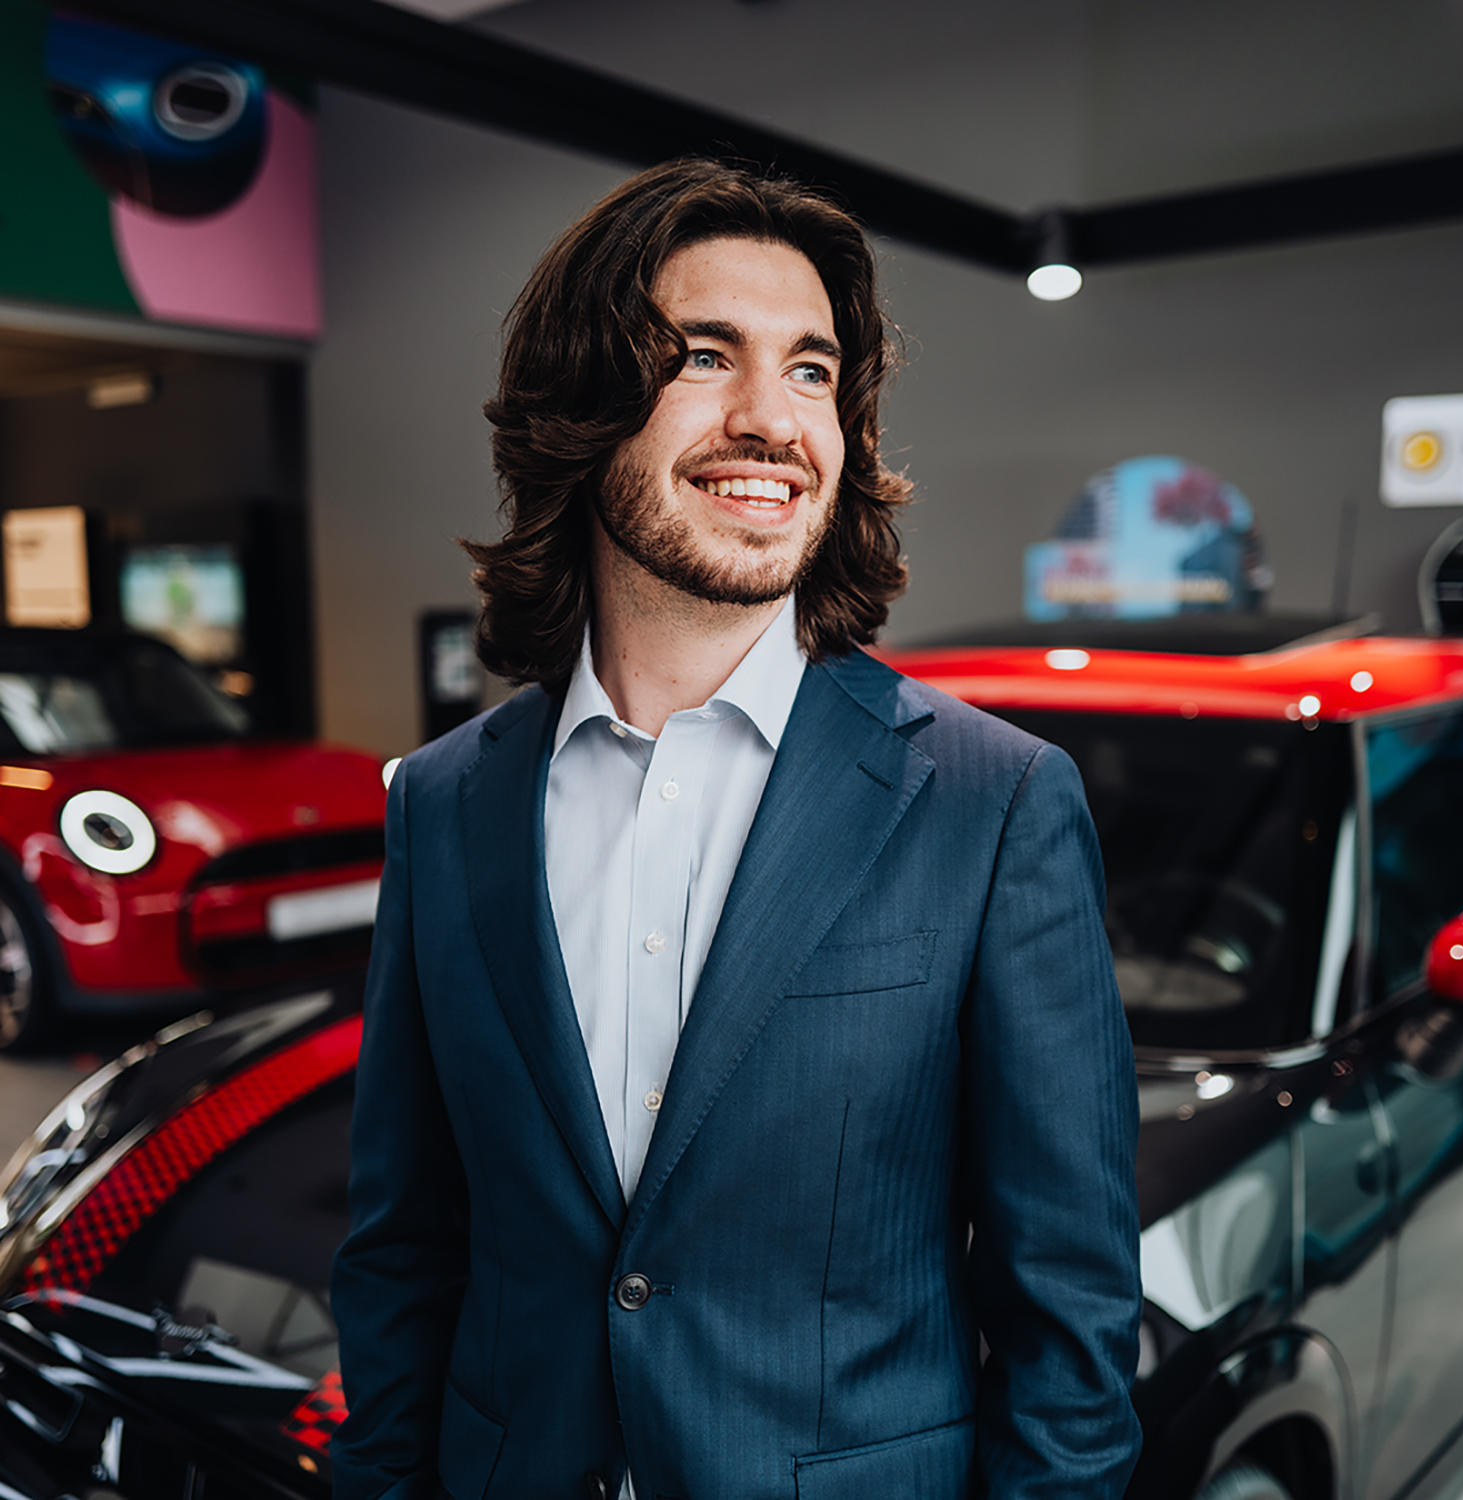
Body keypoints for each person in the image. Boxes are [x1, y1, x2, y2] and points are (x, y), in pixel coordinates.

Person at [330, 158, 1141, 1500]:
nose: (775, 420)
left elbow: (1070, 1320)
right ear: (581, 408)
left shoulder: (993, 804)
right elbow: (404, 1247)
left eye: (814, 371)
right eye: (706, 356)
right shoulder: (443, 801)